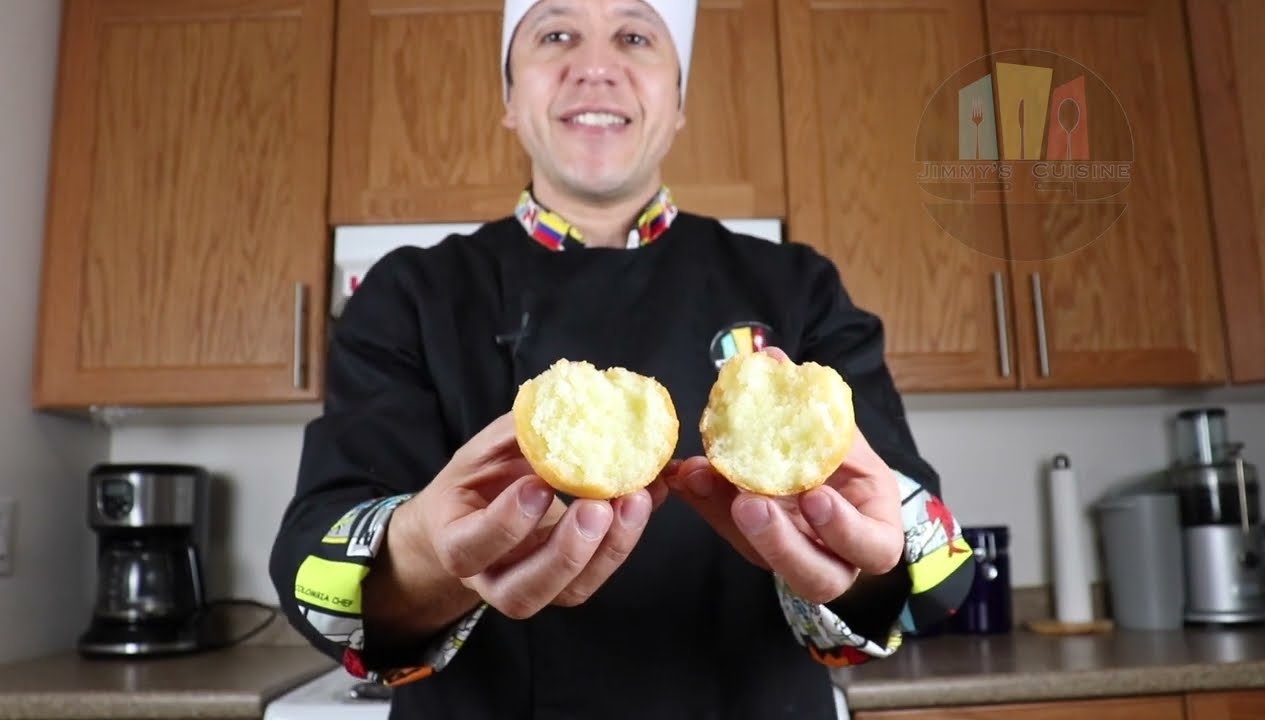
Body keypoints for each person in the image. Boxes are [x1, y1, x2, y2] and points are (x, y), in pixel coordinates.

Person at [269, 0, 975, 717]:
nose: (596, 65)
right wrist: (424, 550)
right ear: (510, 97)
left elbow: (939, 575)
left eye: (635, 36)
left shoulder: (800, 289)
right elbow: (312, 579)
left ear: (678, 102)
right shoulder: (407, 294)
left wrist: (858, 559)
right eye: (556, 34)